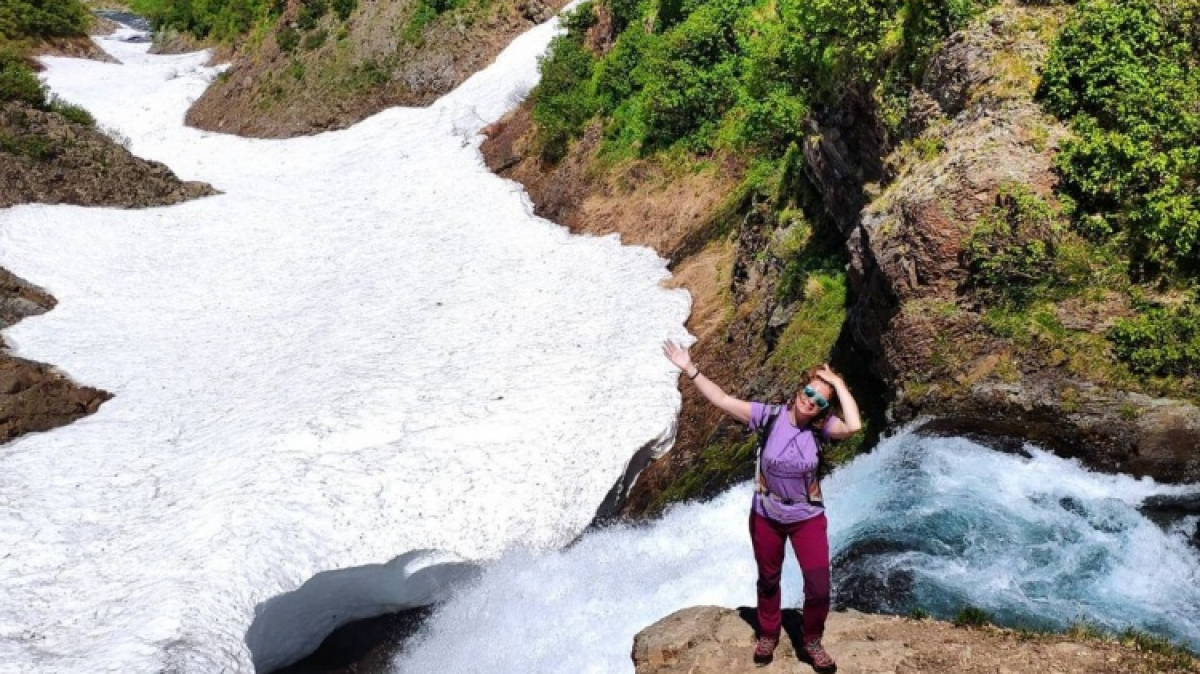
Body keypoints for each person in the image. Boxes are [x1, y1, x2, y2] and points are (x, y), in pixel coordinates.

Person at [662, 339, 862, 672]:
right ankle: (768, 633)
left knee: (818, 586)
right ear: (799, 391)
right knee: (768, 579)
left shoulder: (823, 429)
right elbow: (723, 400)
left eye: (819, 400)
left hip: (807, 518)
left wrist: (838, 384)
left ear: (824, 408)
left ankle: (811, 640)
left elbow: (854, 426)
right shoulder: (768, 416)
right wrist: (690, 369)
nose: (810, 401)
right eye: (808, 392)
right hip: (766, 515)